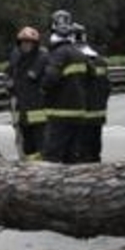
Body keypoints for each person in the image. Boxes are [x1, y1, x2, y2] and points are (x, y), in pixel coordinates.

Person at [41, 10, 89, 164]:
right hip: (79, 113)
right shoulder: (80, 54)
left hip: (59, 114)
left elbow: (49, 80)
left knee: (52, 156)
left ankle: (50, 188)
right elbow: (91, 78)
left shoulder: (57, 54)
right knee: (72, 156)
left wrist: (40, 89)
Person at [4, 26, 48, 161]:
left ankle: (42, 169)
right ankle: (30, 170)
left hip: (38, 110)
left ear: (35, 44)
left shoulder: (42, 57)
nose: (26, 45)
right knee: (26, 146)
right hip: (21, 109)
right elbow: (9, 74)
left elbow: (32, 77)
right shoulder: (16, 57)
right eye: (23, 42)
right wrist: (9, 83)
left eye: (29, 42)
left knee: (41, 144)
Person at [73, 23, 110, 162]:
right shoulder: (100, 61)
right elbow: (107, 87)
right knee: (95, 149)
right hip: (98, 113)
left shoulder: (73, 60)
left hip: (81, 115)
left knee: (81, 152)